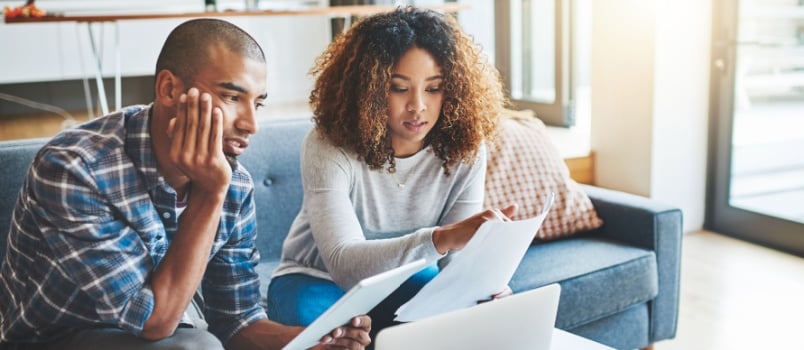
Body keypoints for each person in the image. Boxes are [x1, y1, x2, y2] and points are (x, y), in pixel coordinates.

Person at [0, 18, 370, 350]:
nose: (250, 124)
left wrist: (313, 338)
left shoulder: (233, 184)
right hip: (58, 337)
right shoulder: (76, 170)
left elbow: (236, 320)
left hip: (172, 324)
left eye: (256, 104)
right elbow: (153, 321)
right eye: (231, 97)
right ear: (168, 89)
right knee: (195, 346)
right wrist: (209, 193)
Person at [266, 6, 516, 339]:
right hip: (314, 279)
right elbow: (343, 263)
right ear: (368, 91)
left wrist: (485, 288)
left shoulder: (466, 149)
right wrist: (442, 238)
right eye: (399, 88)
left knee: (463, 323)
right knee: (334, 340)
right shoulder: (328, 145)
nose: (417, 106)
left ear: (453, 90)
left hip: (404, 276)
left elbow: (458, 263)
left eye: (433, 88)